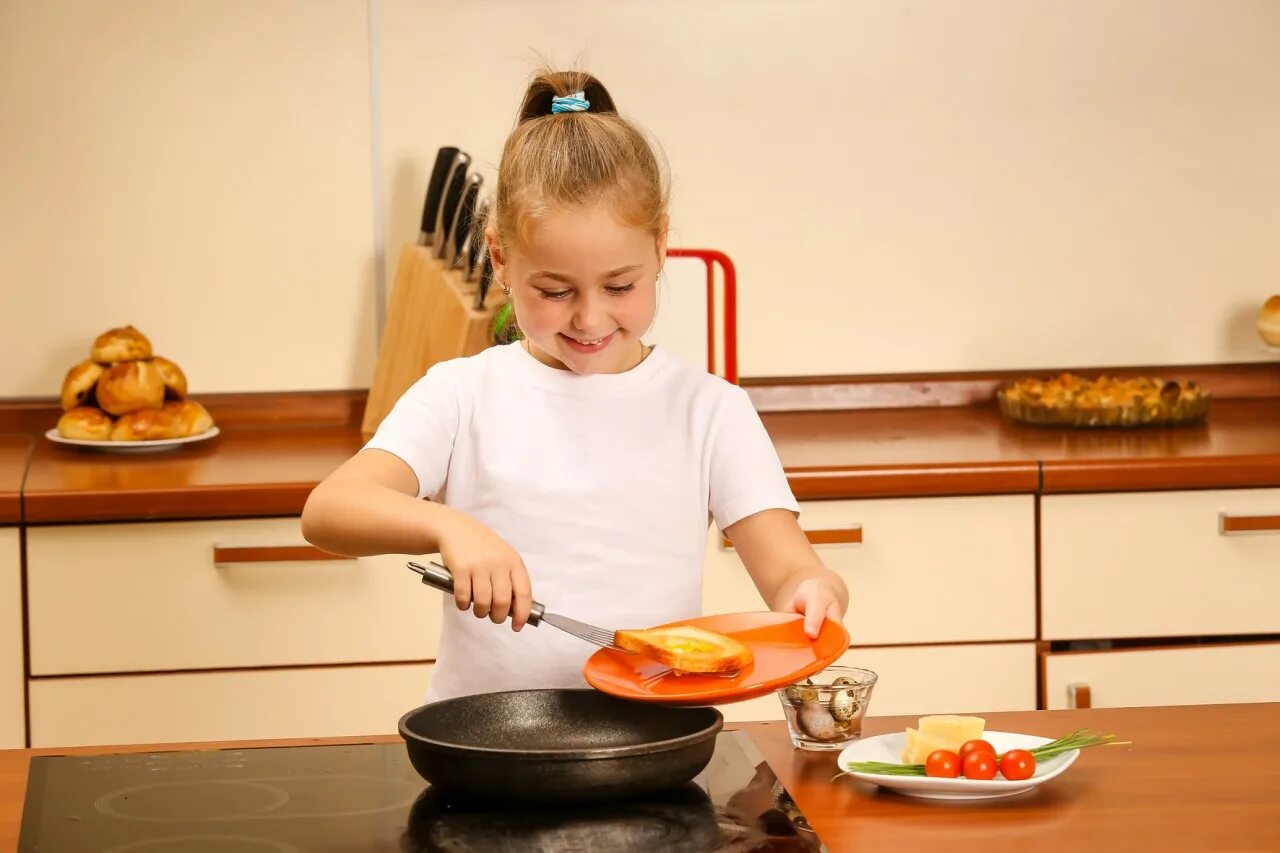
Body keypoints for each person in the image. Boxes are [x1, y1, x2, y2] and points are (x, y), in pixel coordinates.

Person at [301, 69, 849, 703]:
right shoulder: (460, 395)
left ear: (661, 246)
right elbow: (328, 513)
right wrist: (449, 527)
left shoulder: (710, 410)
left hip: (657, 753)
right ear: (500, 258)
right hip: (487, 756)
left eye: (619, 286)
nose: (589, 318)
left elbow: (792, 572)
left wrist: (815, 591)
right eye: (555, 291)